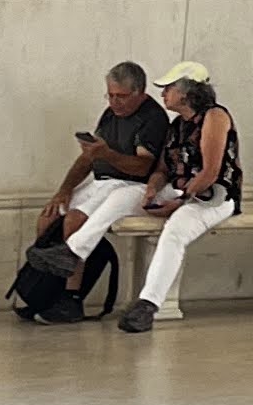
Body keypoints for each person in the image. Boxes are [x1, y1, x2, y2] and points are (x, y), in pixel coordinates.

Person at [117, 64, 240, 333]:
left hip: (213, 196)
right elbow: (162, 169)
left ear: (186, 92)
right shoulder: (177, 125)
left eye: (168, 89)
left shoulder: (215, 117)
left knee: (175, 230)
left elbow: (210, 173)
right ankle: (74, 249)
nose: (163, 95)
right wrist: (152, 188)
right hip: (183, 189)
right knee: (126, 195)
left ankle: (147, 305)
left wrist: (179, 202)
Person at [31, 61, 169, 286]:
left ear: (140, 93)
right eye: (110, 95)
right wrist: (64, 190)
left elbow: (142, 167)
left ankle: (70, 295)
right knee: (49, 215)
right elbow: (89, 158)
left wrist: (107, 154)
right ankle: (41, 288)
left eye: (121, 96)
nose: (115, 102)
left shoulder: (152, 118)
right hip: (101, 182)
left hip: (128, 185)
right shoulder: (110, 113)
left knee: (75, 220)